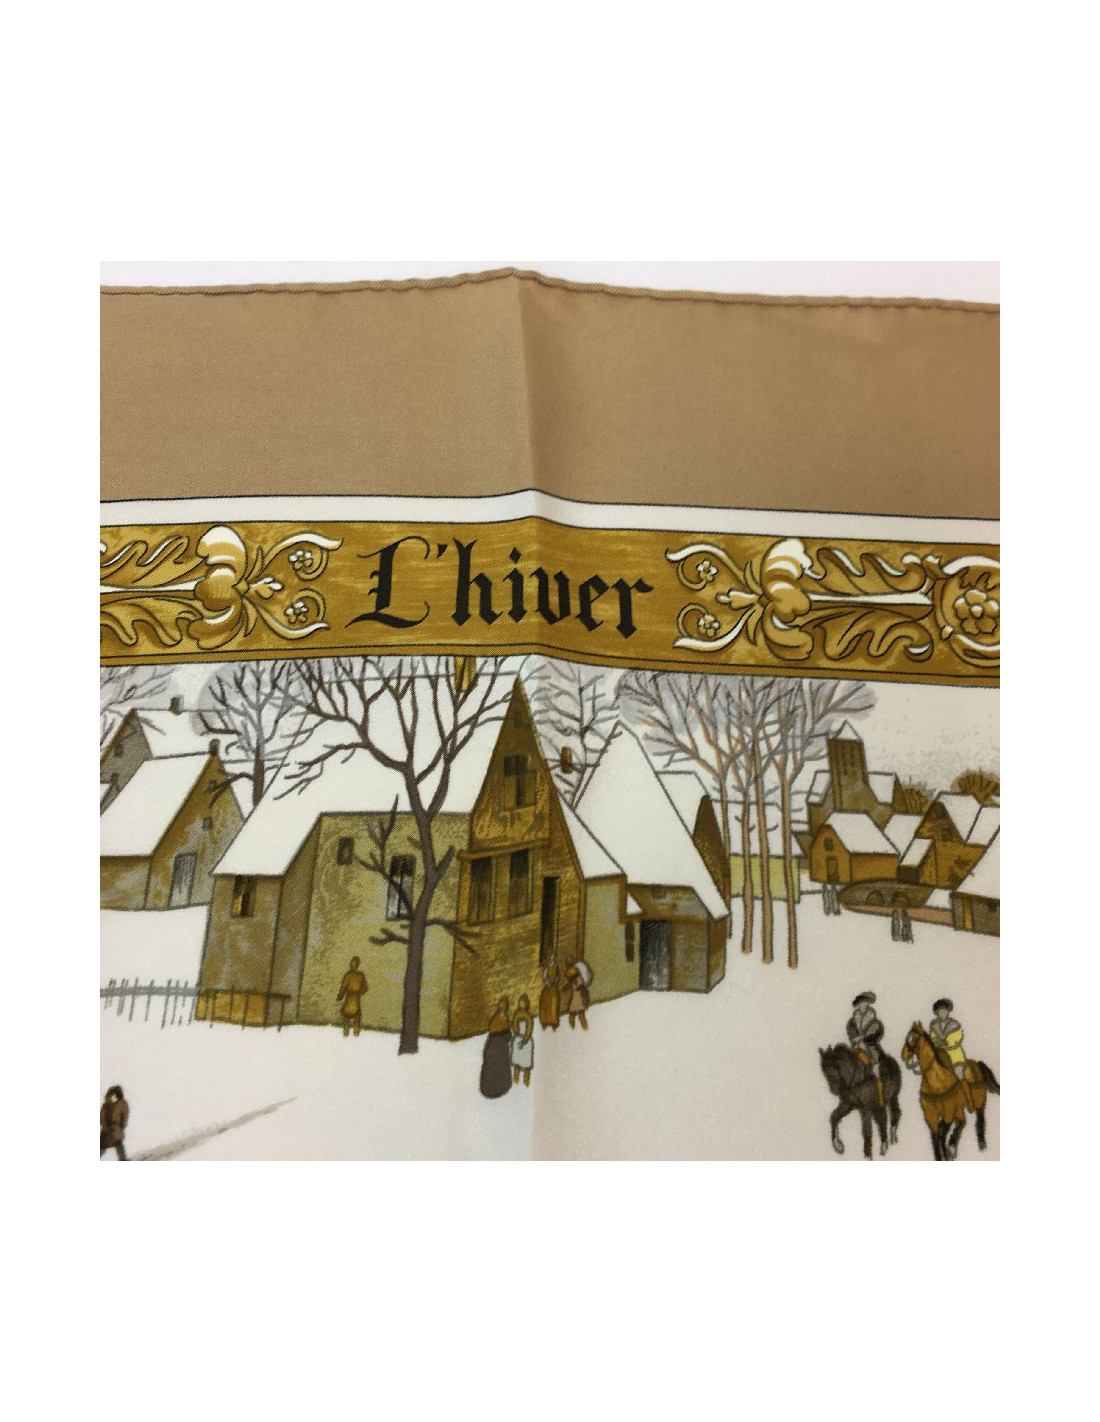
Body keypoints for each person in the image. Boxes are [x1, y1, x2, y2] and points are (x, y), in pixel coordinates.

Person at [480, 997, 512, 1098]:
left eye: (504, 1005)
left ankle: (498, 1087)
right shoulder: (499, 1018)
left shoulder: (502, 1018)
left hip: (497, 1046)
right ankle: (494, 1088)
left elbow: (503, 1031)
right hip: (497, 1045)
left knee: (498, 1066)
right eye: (502, 1005)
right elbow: (496, 1030)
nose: (503, 1007)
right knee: (495, 1066)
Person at [846, 992, 885, 1069]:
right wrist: (855, 1039)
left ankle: (877, 1072)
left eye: (867, 1002)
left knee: (876, 1059)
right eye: (863, 1002)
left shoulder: (872, 1017)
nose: (865, 1004)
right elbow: (851, 1031)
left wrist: (866, 1037)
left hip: (870, 1043)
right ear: (858, 1004)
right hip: (856, 1044)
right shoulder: (853, 1020)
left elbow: (877, 1029)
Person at [929, 998, 966, 1077]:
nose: (942, 1013)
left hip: (954, 1057)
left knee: (959, 1075)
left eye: (944, 1011)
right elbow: (932, 1038)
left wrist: (946, 1042)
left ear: (948, 1011)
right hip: (940, 1057)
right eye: (940, 1011)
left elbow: (957, 1037)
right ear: (937, 1013)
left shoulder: (955, 1024)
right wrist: (936, 1042)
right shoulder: (934, 1025)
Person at [336, 956, 368, 1037]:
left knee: (346, 1017)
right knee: (357, 1017)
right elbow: (365, 988)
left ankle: (346, 1034)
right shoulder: (361, 975)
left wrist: (339, 997)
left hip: (349, 1001)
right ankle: (356, 1033)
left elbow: (343, 988)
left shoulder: (348, 975)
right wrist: (359, 992)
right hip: (356, 1002)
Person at [510, 995, 534, 1087]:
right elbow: (514, 1026)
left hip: (526, 1041)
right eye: (521, 1002)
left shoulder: (528, 1016)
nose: (522, 1004)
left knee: (526, 1063)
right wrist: (517, 1034)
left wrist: (525, 1040)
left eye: (523, 1002)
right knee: (517, 1062)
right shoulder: (517, 1014)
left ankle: (526, 1081)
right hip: (518, 1039)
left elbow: (529, 1029)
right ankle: (516, 1080)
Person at [100, 1085, 129, 1161]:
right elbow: (102, 1117)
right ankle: (123, 1159)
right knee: (104, 1146)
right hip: (109, 1129)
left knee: (117, 1144)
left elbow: (124, 1116)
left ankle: (123, 1159)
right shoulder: (107, 1105)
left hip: (113, 1129)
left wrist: (120, 1125)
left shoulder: (120, 1104)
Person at [564, 959, 591, 1031]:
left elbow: (577, 985)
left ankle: (582, 1028)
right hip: (577, 998)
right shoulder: (576, 977)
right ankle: (579, 1027)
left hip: (578, 998)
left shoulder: (576, 977)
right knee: (577, 1014)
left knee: (575, 1014)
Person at [539, 961, 561, 1031]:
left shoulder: (556, 968)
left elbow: (557, 977)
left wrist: (554, 983)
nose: (552, 960)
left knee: (553, 1005)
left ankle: (553, 1022)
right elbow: (545, 977)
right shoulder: (546, 968)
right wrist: (548, 984)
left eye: (553, 958)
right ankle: (544, 1021)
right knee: (545, 1005)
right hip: (547, 989)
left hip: (553, 988)